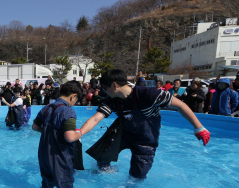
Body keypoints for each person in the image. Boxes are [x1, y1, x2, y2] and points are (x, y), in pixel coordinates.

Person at [80, 69, 210, 180]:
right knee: (102, 156)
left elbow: (180, 105)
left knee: (137, 176)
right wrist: (79, 132)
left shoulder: (149, 94)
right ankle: (107, 173)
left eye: (105, 88)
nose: (104, 91)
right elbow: (96, 119)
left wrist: (199, 127)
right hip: (123, 131)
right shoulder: (112, 100)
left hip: (146, 135)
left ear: (114, 85)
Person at [32, 81, 83, 188]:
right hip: (60, 157)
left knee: (46, 184)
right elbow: (70, 137)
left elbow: (35, 127)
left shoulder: (46, 108)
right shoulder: (68, 112)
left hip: (44, 154)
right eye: (75, 100)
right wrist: (80, 133)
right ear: (73, 96)